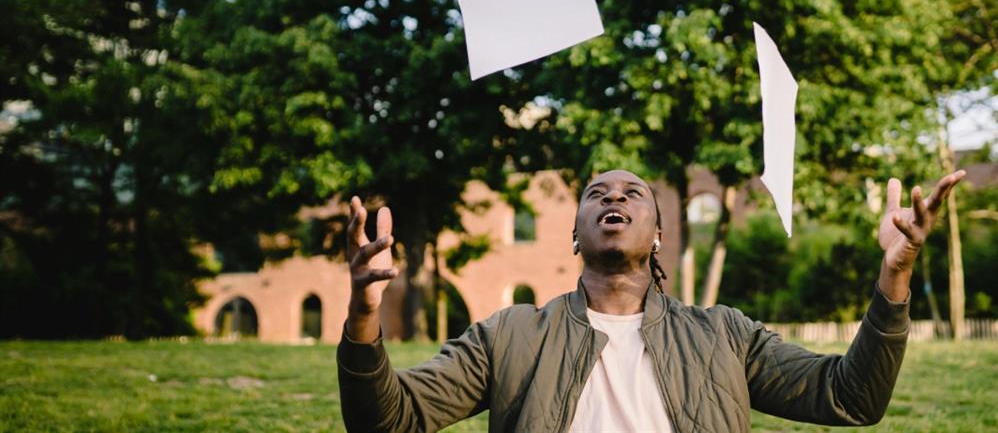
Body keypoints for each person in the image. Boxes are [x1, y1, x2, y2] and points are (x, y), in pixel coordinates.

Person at [338, 168, 966, 432]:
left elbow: (851, 399)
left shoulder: (725, 334)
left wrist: (896, 275)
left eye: (633, 193)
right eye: (597, 193)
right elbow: (388, 421)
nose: (614, 198)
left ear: (659, 234)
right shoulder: (509, 334)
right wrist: (364, 314)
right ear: (575, 234)